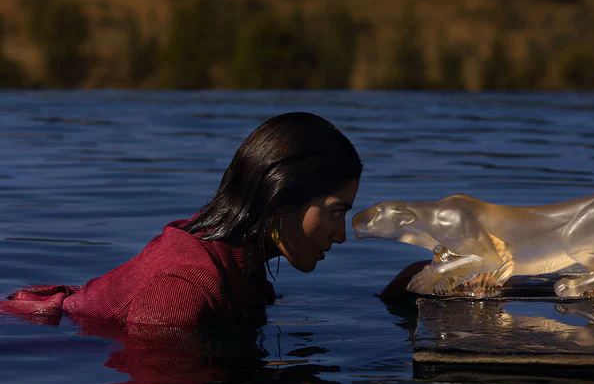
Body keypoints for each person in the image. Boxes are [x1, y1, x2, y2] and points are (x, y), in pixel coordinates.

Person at [1, 112, 362, 327]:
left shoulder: (238, 254)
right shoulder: (183, 287)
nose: (341, 236)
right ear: (280, 201)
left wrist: (399, 290)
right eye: (335, 212)